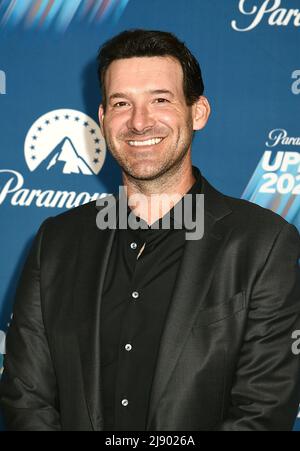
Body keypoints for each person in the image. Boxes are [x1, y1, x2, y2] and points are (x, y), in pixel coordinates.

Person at [0, 29, 300, 432]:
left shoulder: (263, 244)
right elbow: (26, 397)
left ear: (198, 112)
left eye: (160, 100)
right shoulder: (56, 242)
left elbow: (262, 411)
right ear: (103, 119)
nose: (139, 122)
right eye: (122, 103)